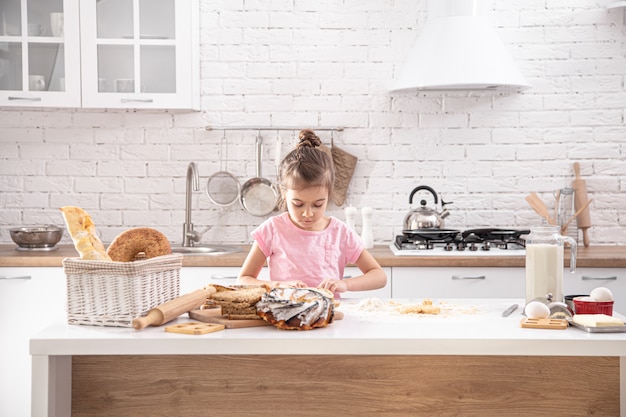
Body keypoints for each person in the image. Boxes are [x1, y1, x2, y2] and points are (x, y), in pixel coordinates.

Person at [237, 129, 387, 296]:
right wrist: (278, 285)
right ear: (284, 193)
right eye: (298, 204)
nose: (307, 214)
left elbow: (379, 276)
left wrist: (345, 284)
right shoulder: (272, 229)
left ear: (328, 195)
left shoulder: (340, 232)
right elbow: (244, 279)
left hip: (328, 317)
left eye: (318, 204)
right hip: (284, 316)